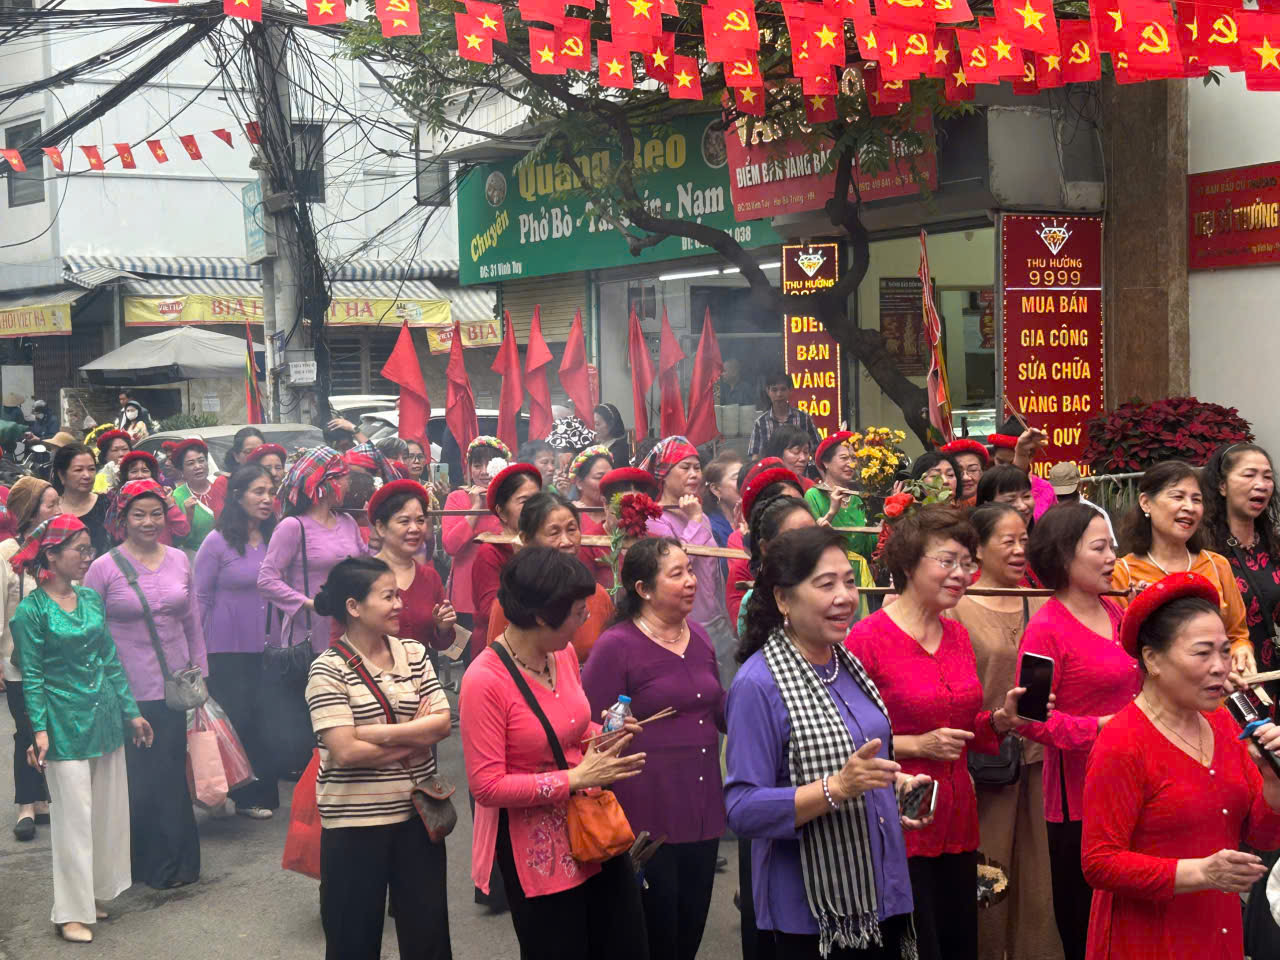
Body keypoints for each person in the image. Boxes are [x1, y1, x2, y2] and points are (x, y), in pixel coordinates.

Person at [726, 525, 934, 960]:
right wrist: (835, 788)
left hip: (882, 888)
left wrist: (894, 786)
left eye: (850, 582)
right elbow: (742, 809)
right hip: (811, 911)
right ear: (783, 598)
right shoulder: (758, 684)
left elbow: (856, 765)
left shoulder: (847, 664)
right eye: (826, 585)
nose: (845, 597)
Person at [844, 505, 1033, 960]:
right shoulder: (867, 639)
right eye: (947, 561)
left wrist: (1000, 721)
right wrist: (917, 745)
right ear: (909, 564)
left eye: (967, 563)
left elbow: (964, 728)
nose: (961, 574)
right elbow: (843, 738)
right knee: (915, 942)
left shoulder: (957, 635)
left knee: (958, 940)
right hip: (899, 816)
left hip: (959, 815)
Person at [460, 547, 649, 960]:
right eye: (579, 612)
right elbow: (486, 786)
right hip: (536, 850)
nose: (585, 620)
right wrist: (573, 779)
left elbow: (571, 730)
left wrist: (606, 734)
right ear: (544, 617)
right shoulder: (484, 680)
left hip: (593, 827)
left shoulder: (560, 653)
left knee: (623, 943)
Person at [1081, 572, 1280, 960]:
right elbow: (1099, 863)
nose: (1220, 667)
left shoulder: (1223, 723)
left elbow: (1262, 836)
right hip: (1149, 938)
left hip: (1218, 927)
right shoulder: (1122, 742)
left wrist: (1272, 780)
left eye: (1225, 651)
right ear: (1152, 659)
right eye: (1202, 653)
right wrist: (1200, 873)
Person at [11, 515, 153, 943]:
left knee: (106, 814)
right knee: (72, 819)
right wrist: (38, 731)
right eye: (80, 549)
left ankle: (92, 894)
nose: (88, 557)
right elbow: (32, 676)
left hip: (104, 718)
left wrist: (131, 711)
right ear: (52, 555)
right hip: (62, 724)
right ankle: (69, 912)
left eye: (90, 549)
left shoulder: (90, 599)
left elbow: (109, 658)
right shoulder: (31, 611)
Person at [583, 536, 726, 960]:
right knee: (654, 933)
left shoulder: (699, 636)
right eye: (677, 574)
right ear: (643, 589)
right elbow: (589, 729)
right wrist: (612, 730)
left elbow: (719, 709)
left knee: (690, 926)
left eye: (690, 571)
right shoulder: (616, 645)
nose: (691, 581)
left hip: (703, 806)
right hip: (645, 812)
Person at [305, 556, 453, 960]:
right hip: (355, 825)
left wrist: (372, 734)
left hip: (418, 817)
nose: (399, 605)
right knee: (353, 942)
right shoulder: (327, 670)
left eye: (398, 596)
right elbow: (346, 752)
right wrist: (414, 736)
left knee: (429, 939)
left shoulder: (415, 653)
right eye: (388, 597)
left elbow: (442, 723)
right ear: (353, 606)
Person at [1016, 503, 1140, 960]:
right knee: (1087, 921)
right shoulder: (1045, 628)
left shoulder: (1117, 612)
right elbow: (1030, 719)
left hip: (1134, 780)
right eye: (1099, 548)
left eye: (1112, 546)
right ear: (1065, 555)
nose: (1112, 557)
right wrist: (1097, 729)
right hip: (1079, 796)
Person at [945, 503, 1060, 960]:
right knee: (989, 876)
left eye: (1024, 541)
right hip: (986, 763)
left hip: (1041, 761)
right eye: (1007, 541)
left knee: (1040, 877)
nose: (1019, 550)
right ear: (978, 549)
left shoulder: (1043, 601)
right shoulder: (956, 608)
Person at [83, 479, 206, 889]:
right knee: (138, 779)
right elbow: (90, 631)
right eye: (139, 514)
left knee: (171, 773)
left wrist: (201, 673)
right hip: (126, 691)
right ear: (123, 519)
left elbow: (192, 620)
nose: (149, 522)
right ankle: (143, 865)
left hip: (175, 687)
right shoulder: (103, 568)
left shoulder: (179, 559)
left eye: (156, 514)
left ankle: (181, 863)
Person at [1111, 459, 1254, 675]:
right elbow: (1118, 650)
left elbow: (1237, 635)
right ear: (1146, 503)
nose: (1189, 507)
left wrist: (1242, 650)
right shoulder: (1122, 573)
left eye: (1196, 499)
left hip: (1217, 689)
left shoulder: (1217, 565)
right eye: (1178, 497)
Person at [193, 465, 279, 819]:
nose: (266, 499)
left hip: (269, 644)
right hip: (225, 647)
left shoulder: (276, 538)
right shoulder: (217, 542)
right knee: (237, 718)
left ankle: (262, 793)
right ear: (238, 496)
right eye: (258, 491)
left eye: (270, 492)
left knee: (265, 717)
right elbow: (199, 597)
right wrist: (195, 651)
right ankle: (241, 796)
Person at [641, 437, 736, 687]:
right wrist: (693, 520)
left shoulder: (700, 515)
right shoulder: (654, 519)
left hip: (716, 622)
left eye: (697, 467)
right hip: (683, 626)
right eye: (685, 467)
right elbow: (675, 564)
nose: (694, 474)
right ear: (663, 474)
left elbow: (714, 572)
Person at [258, 446, 365, 657]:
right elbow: (267, 581)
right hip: (309, 639)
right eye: (345, 478)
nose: (349, 485)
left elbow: (365, 564)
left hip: (351, 634)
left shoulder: (347, 521)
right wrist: (311, 604)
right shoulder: (292, 526)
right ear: (329, 482)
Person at [486, 492, 616, 662]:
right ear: (526, 539)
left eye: (572, 530)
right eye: (554, 533)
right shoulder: (514, 602)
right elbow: (498, 662)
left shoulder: (597, 595)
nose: (566, 541)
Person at [0, 476, 59, 841]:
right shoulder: (5, 552)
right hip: (18, 661)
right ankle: (26, 803)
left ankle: (43, 798)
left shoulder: (59, 546)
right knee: (26, 730)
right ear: (30, 511)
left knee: (51, 729)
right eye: (51, 505)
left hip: (58, 660)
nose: (58, 510)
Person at [1203, 442, 1280, 683]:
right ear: (1222, 486)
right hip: (1224, 680)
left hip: (1271, 675)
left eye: (1267, 477)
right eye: (1249, 475)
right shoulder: (1203, 552)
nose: (1261, 484)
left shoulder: (1274, 546)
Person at [368, 479, 457, 654]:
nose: (415, 528)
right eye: (404, 521)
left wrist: (443, 628)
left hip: (422, 670)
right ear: (381, 527)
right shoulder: (361, 576)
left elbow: (440, 644)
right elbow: (341, 640)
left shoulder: (430, 578)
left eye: (420, 520)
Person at [441, 436, 510, 637]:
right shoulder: (456, 498)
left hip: (504, 593)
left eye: (490, 464)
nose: (484, 471)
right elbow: (450, 546)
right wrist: (475, 509)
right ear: (469, 469)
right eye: (477, 465)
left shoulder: (511, 501)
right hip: (464, 597)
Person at [471, 463, 542, 654]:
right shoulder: (490, 552)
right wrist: (522, 564)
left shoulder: (543, 545)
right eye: (524, 501)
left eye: (538, 500)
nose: (535, 509)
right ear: (502, 512)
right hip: (499, 650)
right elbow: (492, 612)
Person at [733, 495, 819, 636]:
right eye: (795, 537)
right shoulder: (753, 602)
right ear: (765, 548)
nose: (808, 545)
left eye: (814, 535)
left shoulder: (827, 588)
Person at [806, 432, 876, 566]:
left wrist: (888, 517)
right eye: (844, 458)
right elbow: (809, 542)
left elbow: (868, 547)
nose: (851, 464)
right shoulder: (813, 496)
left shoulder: (857, 499)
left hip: (860, 573)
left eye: (854, 458)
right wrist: (831, 512)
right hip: (829, 569)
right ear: (826, 462)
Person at [109, 451, 191, 548]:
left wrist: (170, 506)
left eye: (145, 470)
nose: (140, 475)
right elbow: (118, 536)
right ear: (126, 476)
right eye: (134, 471)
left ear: (152, 474)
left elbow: (182, 530)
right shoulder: (119, 501)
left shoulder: (165, 497)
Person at [52, 443, 110, 557]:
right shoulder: (51, 510)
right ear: (61, 475)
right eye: (78, 470)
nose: (87, 475)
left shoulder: (107, 505)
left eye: (91, 469)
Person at [747, 369, 820, 460]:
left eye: (783, 389)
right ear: (768, 391)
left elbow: (817, 450)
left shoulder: (803, 418)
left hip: (799, 468)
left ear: (790, 390)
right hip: (772, 468)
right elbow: (755, 456)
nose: (779, 394)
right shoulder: (761, 423)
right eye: (774, 390)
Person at [571, 445, 615, 589]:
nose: (607, 483)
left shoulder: (618, 514)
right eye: (599, 477)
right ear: (579, 483)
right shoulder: (570, 515)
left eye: (610, 476)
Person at [170, 438, 225, 552]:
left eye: (201, 460)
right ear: (181, 469)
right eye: (191, 463)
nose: (198, 466)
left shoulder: (221, 484)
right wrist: (188, 517)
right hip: (197, 556)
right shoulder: (177, 496)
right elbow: (177, 541)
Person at [1046, 462, 1115, 543]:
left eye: (1067, 493)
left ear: (1079, 485)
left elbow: (1110, 546)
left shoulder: (1097, 513)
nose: (1063, 498)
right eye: (1059, 495)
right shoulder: (1045, 512)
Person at [940, 438, 990, 505]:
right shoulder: (936, 505)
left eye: (973, 470)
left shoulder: (992, 503)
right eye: (958, 471)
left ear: (982, 472)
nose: (965, 478)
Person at [91, 429, 131, 495]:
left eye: (125, 449)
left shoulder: (138, 470)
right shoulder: (100, 478)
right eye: (115, 450)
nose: (121, 454)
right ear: (105, 456)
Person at [593, 402, 631, 469]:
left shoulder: (619, 451)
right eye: (595, 424)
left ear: (611, 424)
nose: (595, 428)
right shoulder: (599, 444)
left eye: (598, 424)